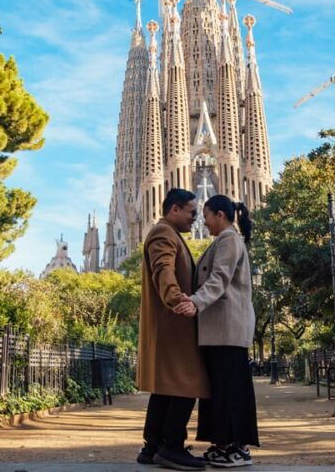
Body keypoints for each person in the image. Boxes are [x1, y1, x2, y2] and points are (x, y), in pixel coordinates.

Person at [174, 195, 259, 468]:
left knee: (229, 391)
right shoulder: (223, 241)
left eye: (207, 215)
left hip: (228, 330)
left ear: (220, 215)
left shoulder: (229, 240)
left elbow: (219, 278)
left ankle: (237, 448)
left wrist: (195, 303)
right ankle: (222, 444)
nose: (203, 221)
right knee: (220, 390)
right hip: (219, 331)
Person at [136, 188, 210, 471]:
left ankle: (152, 447)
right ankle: (171, 447)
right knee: (186, 383)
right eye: (192, 213)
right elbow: (162, 268)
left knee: (166, 388)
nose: (195, 219)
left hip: (170, 324)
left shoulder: (169, 233)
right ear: (175, 209)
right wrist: (177, 300)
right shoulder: (163, 233)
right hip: (173, 324)